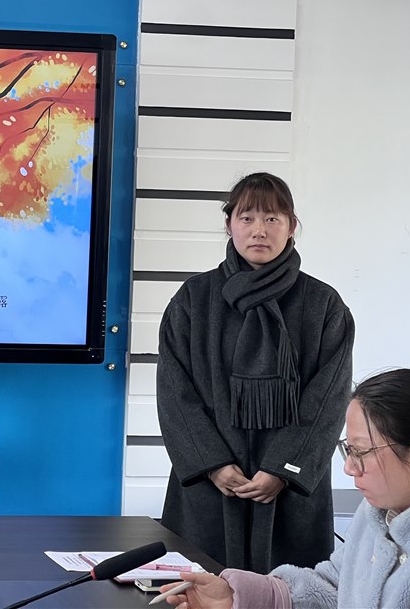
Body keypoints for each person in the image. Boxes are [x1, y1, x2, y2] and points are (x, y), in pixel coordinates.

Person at [158, 368, 410, 609]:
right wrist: (239, 598)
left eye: (361, 452)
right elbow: (335, 586)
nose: (349, 467)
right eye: (349, 450)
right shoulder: (383, 509)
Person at [157, 172, 354, 572]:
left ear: (291, 226)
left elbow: (328, 400)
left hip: (289, 491)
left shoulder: (323, 305)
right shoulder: (193, 299)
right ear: (229, 224)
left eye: (272, 219)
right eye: (247, 218)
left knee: (291, 591)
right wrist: (213, 464)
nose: (259, 230)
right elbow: (174, 392)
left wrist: (283, 469)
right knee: (200, 588)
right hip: (210, 486)